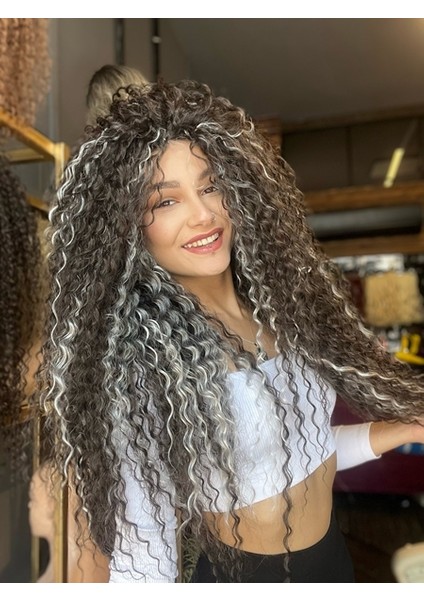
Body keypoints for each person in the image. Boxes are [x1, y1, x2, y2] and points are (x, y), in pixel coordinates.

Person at [39, 79, 424, 583]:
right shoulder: (141, 366)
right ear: (127, 227)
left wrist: (400, 430)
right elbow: (144, 551)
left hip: (333, 562)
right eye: (165, 201)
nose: (203, 214)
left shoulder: (284, 311)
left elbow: (300, 451)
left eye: (211, 185)